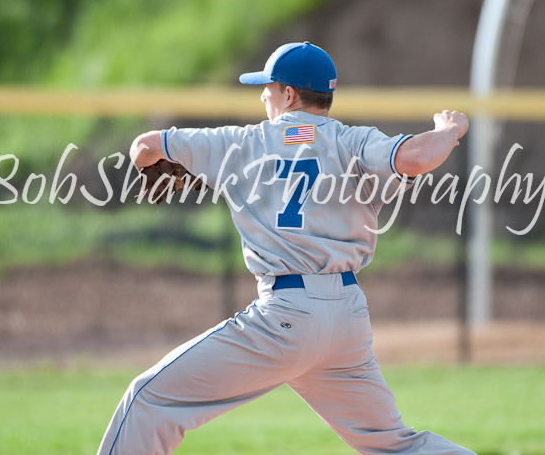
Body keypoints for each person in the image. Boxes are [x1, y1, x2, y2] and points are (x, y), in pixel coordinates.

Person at [98, 41, 474, 455]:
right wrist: (448, 130)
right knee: (394, 445)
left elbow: (145, 145)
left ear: (289, 94)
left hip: (287, 316)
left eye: (268, 86)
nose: (262, 94)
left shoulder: (243, 143)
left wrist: (155, 163)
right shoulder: (353, 141)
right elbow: (418, 157)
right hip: (347, 320)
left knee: (147, 401)